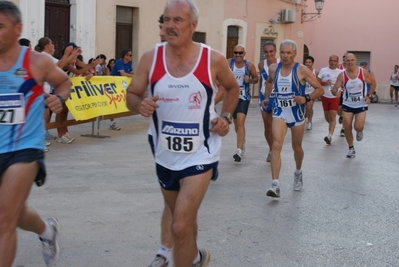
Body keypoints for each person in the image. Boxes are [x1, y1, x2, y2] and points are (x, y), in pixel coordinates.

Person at [126, 1, 239, 266]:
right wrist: (138, 104)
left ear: (193, 25)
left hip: (202, 151)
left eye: (177, 20)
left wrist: (226, 117)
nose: (170, 26)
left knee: (179, 224)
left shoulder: (212, 59)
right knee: (183, 221)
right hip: (164, 153)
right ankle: (196, 257)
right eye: (166, 20)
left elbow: (232, 88)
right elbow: (131, 94)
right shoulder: (150, 58)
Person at [0, 2, 72, 267]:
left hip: (24, 147)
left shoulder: (36, 61)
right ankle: (47, 231)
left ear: (17, 28)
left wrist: (58, 99)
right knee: (14, 214)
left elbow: (64, 81)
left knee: (4, 220)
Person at [262, 39, 323, 198]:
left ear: (295, 54)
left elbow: (320, 89)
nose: (285, 56)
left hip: (297, 113)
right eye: (282, 52)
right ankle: (275, 184)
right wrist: (268, 97)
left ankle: (298, 171)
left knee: (297, 147)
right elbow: (269, 82)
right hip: (280, 111)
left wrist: (306, 98)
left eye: (289, 52)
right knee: (276, 144)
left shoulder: (301, 70)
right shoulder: (273, 68)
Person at [330, 53, 376, 158]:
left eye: (352, 60)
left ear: (355, 61)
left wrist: (369, 95)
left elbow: (373, 83)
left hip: (361, 103)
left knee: (358, 127)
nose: (350, 62)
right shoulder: (342, 75)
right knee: (347, 127)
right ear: (345, 62)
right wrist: (334, 93)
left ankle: (359, 131)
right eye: (348, 60)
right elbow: (334, 88)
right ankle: (351, 148)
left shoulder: (362, 72)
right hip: (348, 103)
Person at [228, 44, 258, 162]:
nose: (238, 55)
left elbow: (256, 79)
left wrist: (250, 80)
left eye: (240, 53)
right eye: (236, 52)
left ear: (244, 54)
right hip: (231, 98)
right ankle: (242, 140)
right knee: (236, 124)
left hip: (244, 97)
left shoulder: (249, 65)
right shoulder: (228, 63)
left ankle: (238, 150)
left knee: (240, 122)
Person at [258, 41, 279, 162]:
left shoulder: (281, 63)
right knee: (268, 127)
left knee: (277, 126)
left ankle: (277, 148)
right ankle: (271, 149)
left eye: (271, 51)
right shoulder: (261, 64)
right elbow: (262, 79)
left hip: (277, 97)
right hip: (264, 97)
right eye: (266, 52)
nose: (269, 54)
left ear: (275, 52)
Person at [317, 55, 342, 145]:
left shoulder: (341, 72)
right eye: (331, 60)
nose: (332, 63)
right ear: (328, 61)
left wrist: (341, 91)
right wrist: (324, 83)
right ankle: (333, 125)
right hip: (325, 96)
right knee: (327, 117)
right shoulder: (323, 70)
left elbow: (343, 84)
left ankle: (329, 136)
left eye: (335, 61)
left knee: (332, 116)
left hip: (335, 97)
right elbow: (316, 81)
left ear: (337, 62)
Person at [304, 55, 318, 130]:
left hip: (312, 93)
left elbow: (319, 82)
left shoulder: (315, 72)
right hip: (303, 92)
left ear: (312, 63)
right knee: (303, 108)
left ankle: (309, 122)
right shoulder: (302, 71)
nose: (308, 63)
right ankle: (303, 121)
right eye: (306, 62)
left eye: (309, 62)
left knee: (309, 107)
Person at [337, 52, 348, 137]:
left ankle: (343, 129)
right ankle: (340, 116)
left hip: (348, 93)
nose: (345, 58)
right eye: (344, 57)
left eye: (346, 57)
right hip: (339, 91)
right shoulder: (339, 66)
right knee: (339, 110)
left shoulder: (351, 67)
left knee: (345, 111)